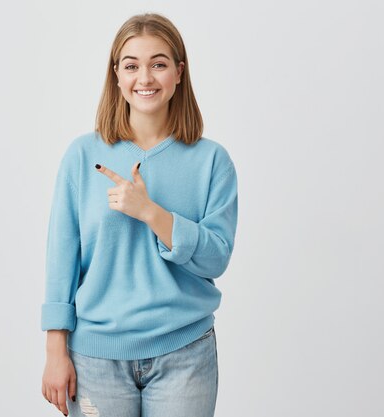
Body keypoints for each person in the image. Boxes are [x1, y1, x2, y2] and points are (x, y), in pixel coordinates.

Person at [41, 12, 238, 417]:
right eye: (131, 65)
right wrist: (55, 351)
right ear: (116, 74)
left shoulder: (212, 161)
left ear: (179, 73)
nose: (144, 78)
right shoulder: (82, 156)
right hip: (95, 359)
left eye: (159, 64)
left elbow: (216, 258)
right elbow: (62, 258)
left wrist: (151, 213)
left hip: (184, 352)